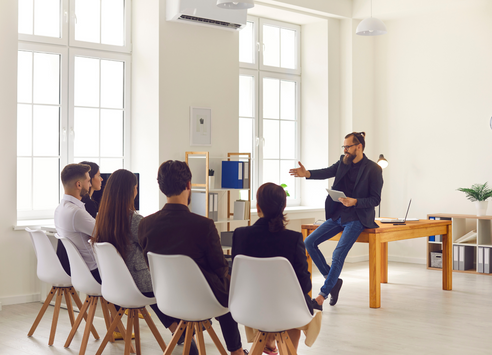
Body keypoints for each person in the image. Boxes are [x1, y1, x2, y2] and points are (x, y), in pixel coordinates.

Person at [138, 160, 245, 355]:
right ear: (189, 185)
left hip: (168, 299)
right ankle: (237, 352)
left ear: (161, 187)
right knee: (229, 281)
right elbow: (220, 269)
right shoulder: (203, 225)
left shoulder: (145, 225)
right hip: (204, 300)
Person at [90, 169, 196, 352]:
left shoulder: (101, 219)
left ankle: (181, 332)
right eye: (136, 188)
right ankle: (186, 331)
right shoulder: (134, 220)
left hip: (115, 287)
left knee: (160, 288)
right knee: (174, 282)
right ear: (130, 191)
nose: (136, 191)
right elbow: (157, 249)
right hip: (138, 286)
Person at [289, 132, 383, 310]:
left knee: (337, 254)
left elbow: (375, 199)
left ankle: (321, 297)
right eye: (344, 147)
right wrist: (306, 173)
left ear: (359, 147)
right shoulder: (343, 161)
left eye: (348, 147)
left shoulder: (373, 169)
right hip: (337, 215)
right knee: (309, 242)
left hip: (357, 217)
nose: (345, 150)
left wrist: (355, 201)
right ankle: (333, 282)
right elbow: (326, 171)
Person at [231, 183, 322, 354]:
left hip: (249, 309)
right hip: (286, 312)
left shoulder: (240, 235)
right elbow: (305, 286)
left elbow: (234, 277)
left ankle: (269, 342)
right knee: (295, 305)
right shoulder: (293, 239)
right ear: (284, 207)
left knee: (278, 304)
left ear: (258, 206)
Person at [54, 163, 100, 283]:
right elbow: (104, 233)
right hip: (94, 273)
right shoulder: (76, 213)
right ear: (79, 184)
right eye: (88, 181)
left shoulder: (60, 209)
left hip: (80, 270)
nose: (90, 185)